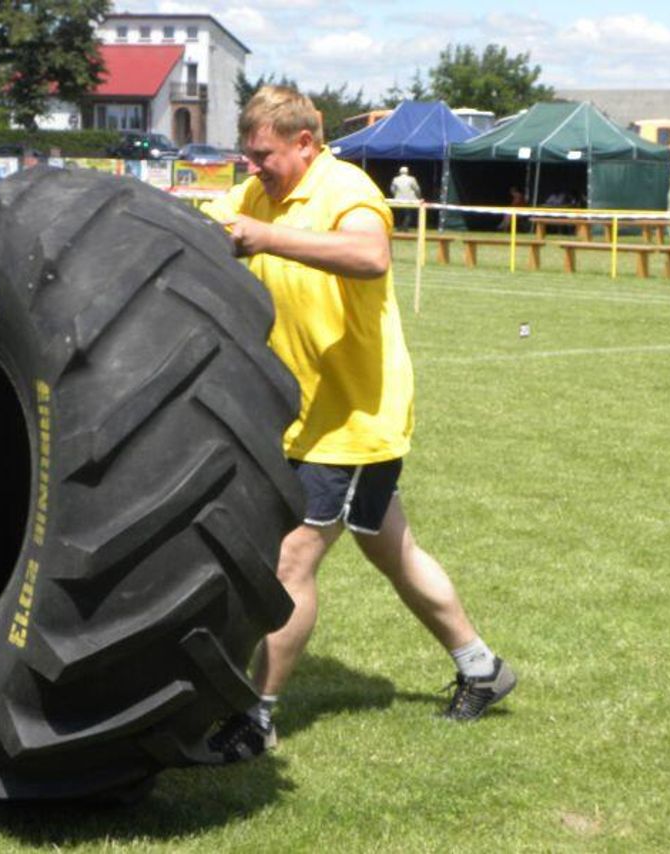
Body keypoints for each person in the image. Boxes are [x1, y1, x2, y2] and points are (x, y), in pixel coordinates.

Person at [201, 85, 516, 763]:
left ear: (305, 144)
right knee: (393, 551)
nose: (252, 168)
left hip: (354, 420)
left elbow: (370, 256)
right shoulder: (255, 193)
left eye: (265, 155)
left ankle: (258, 716)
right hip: (297, 416)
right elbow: (206, 221)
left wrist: (265, 239)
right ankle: (482, 667)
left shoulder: (348, 190)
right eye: (247, 156)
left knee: (292, 559)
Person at [389, 165, 422, 231]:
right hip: (410, 199)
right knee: (408, 214)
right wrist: (419, 196)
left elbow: (392, 189)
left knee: (399, 214)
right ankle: (405, 227)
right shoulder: (412, 179)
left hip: (398, 199)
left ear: (399, 172)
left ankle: (399, 227)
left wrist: (395, 195)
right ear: (408, 172)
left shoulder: (395, 179)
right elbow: (417, 189)